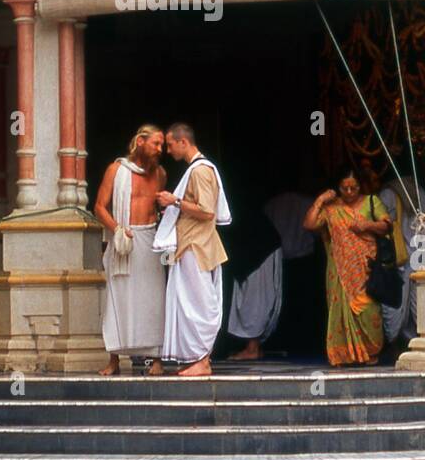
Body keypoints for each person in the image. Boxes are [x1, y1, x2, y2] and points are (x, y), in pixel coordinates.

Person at [153, 122, 231, 377]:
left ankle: (202, 360)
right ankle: (198, 358)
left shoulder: (200, 171)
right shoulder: (196, 170)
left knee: (199, 305)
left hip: (196, 246)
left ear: (183, 142)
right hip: (191, 244)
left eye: (170, 143)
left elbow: (207, 212)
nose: (168, 149)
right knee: (191, 303)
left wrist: (174, 201)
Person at [94, 124, 167, 376]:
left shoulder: (160, 174)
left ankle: (155, 359)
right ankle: (114, 359)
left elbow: (160, 210)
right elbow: (99, 207)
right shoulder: (116, 170)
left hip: (150, 239)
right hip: (122, 240)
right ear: (140, 141)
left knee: (153, 299)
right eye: (156, 144)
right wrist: (117, 229)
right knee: (118, 298)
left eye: (162, 145)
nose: (160, 149)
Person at [305, 164, 391, 367]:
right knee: (340, 310)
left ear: (361, 186)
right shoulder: (332, 208)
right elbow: (309, 225)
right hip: (339, 273)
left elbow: (387, 225)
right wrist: (320, 200)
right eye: (345, 188)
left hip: (366, 269)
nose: (350, 192)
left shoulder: (372, 202)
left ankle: (370, 352)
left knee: (369, 310)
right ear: (338, 187)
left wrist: (367, 225)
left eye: (354, 188)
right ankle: (344, 354)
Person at [227, 192, 314, 361]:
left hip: (260, 252)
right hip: (256, 250)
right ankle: (253, 346)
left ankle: (252, 347)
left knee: (256, 300)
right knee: (253, 299)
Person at [378, 172, 425, 349]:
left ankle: (395, 344)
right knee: (416, 303)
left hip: (399, 258)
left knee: (395, 305)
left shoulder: (388, 194)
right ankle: (415, 342)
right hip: (421, 257)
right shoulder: (422, 194)